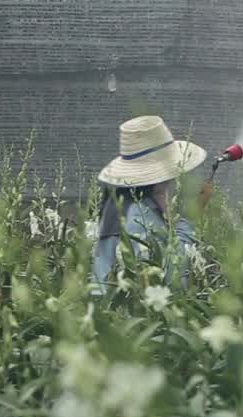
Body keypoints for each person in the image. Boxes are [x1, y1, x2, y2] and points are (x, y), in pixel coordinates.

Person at [90, 115, 213, 293]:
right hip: (132, 314)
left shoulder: (119, 204)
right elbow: (173, 274)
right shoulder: (140, 217)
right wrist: (192, 217)